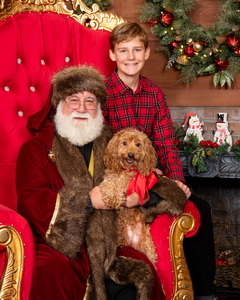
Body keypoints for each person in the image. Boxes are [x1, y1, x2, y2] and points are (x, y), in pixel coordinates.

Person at [16, 65, 164, 300]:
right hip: (59, 243)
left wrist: (145, 196)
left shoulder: (113, 143)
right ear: (59, 105)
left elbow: (146, 176)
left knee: (141, 272)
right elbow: (33, 200)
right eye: (74, 100)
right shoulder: (35, 148)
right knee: (51, 270)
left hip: (108, 242)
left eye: (90, 101)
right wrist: (88, 200)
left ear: (99, 107)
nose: (82, 109)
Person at [102, 22, 216, 300]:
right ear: (112, 55)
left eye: (137, 50)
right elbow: (100, 148)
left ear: (146, 54)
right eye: (124, 50)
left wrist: (176, 180)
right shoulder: (102, 94)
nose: (131, 57)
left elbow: (165, 143)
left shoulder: (154, 94)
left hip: (151, 176)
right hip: (117, 178)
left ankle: (204, 293)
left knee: (199, 206)